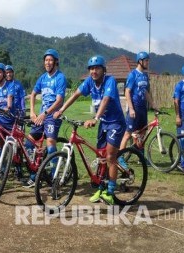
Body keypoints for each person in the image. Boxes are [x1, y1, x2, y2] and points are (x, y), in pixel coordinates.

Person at [54, 55, 126, 205]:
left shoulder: (110, 81)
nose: (94, 71)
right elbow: (76, 94)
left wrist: (96, 118)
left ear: (103, 70)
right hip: (104, 124)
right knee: (101, 157)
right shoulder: (89, 82)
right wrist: (61, 110)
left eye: (97, 68)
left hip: (115, 123)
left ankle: (111, 193)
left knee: (110, 157)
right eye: (91, 69)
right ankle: (101, 187)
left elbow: (106, 99)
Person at [23, 49, 66, 188]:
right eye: (46, 60)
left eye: (50, 60)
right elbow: (34, 93)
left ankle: (54, 177)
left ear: (55, 62)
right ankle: (35, 175)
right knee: (28, 143)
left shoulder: (60, 77)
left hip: (52, 116)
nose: (48, 63)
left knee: (50, 143)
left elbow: (59, 101)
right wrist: (33, 112)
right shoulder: (42, 78)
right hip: (41, 115)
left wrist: (45, 113)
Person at [118, 51, 155, 168]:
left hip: (143, 109)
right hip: (134, 109)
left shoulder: (145, 75)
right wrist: (132, 109)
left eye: (148, 61)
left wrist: (153, 104)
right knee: (128, 134)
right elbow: (127, 92)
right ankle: (120, 157)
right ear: (140, 61)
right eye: (146, 61)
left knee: (142, 134)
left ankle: (140, 157)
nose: (148, 63)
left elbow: (145, 92)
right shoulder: (133, 74)